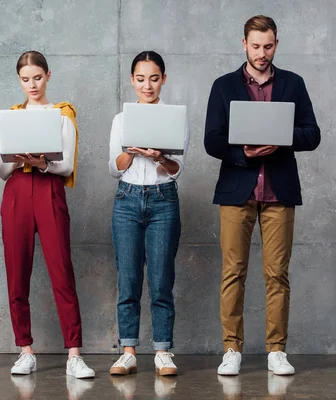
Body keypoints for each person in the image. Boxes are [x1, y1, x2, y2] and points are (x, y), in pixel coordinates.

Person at [204, 15, 321, 376]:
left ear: (276, 44)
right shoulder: (223, 86)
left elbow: (312, 134)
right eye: (255, 46)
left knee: (277, 274)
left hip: (279, 189)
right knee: (233, 272)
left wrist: (282, 138)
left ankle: (276, 351)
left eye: (268, 46)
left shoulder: (293, 84)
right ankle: (231, 349)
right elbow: (212, 140)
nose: (261, 53)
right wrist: (244, 154)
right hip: (237, 188)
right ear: (244, 44)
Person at [0, 51, 95, 379]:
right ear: (19, 80)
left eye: (37, 77)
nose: (32, 85)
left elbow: (66, 164)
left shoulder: (62, 113)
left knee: (61, 271)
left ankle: (74, 353)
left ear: (48, 75)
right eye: (25, 79)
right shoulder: (12, 115)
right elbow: (1, 170)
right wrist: (16, 156)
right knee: (16, 273)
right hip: (16, 192)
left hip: (48, 188)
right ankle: (25, 349)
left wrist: (42, 163)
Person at [108, 51, 189, 376]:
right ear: (132, 81)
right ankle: (128, 350)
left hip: (163, 200)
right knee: (127, 279)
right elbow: (113, 169)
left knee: (161, 279)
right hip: (127, 199)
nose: (147, 85)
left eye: (154, 78)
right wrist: (130, 151)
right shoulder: (121, 119)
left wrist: (159, 156)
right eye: (141, 79)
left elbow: (177, 169)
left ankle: (162, 350)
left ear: (163, 80)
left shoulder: (174, 117)